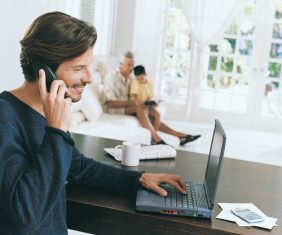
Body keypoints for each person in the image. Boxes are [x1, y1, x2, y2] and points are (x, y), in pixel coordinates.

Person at [0, 12, 187, 235]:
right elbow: (25, 214)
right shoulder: (5, 118)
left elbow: (77, 166)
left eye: (89, 66)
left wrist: (138, 178)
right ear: (45, 71)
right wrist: (57, 131)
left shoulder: (49, 111)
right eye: (78, 68)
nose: (89, 77)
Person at [104, 54, 201, 145]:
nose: (131, 68)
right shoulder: (111, 78)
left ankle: (180, 136)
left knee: (152, 114)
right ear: (120, 64)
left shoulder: (131, 80)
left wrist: (150, 102)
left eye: (132, 66)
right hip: (116, 108)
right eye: (128, 65)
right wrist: (134, 102)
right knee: (140, 108)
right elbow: (109, 103)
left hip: (131, 106)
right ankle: (157, 140)